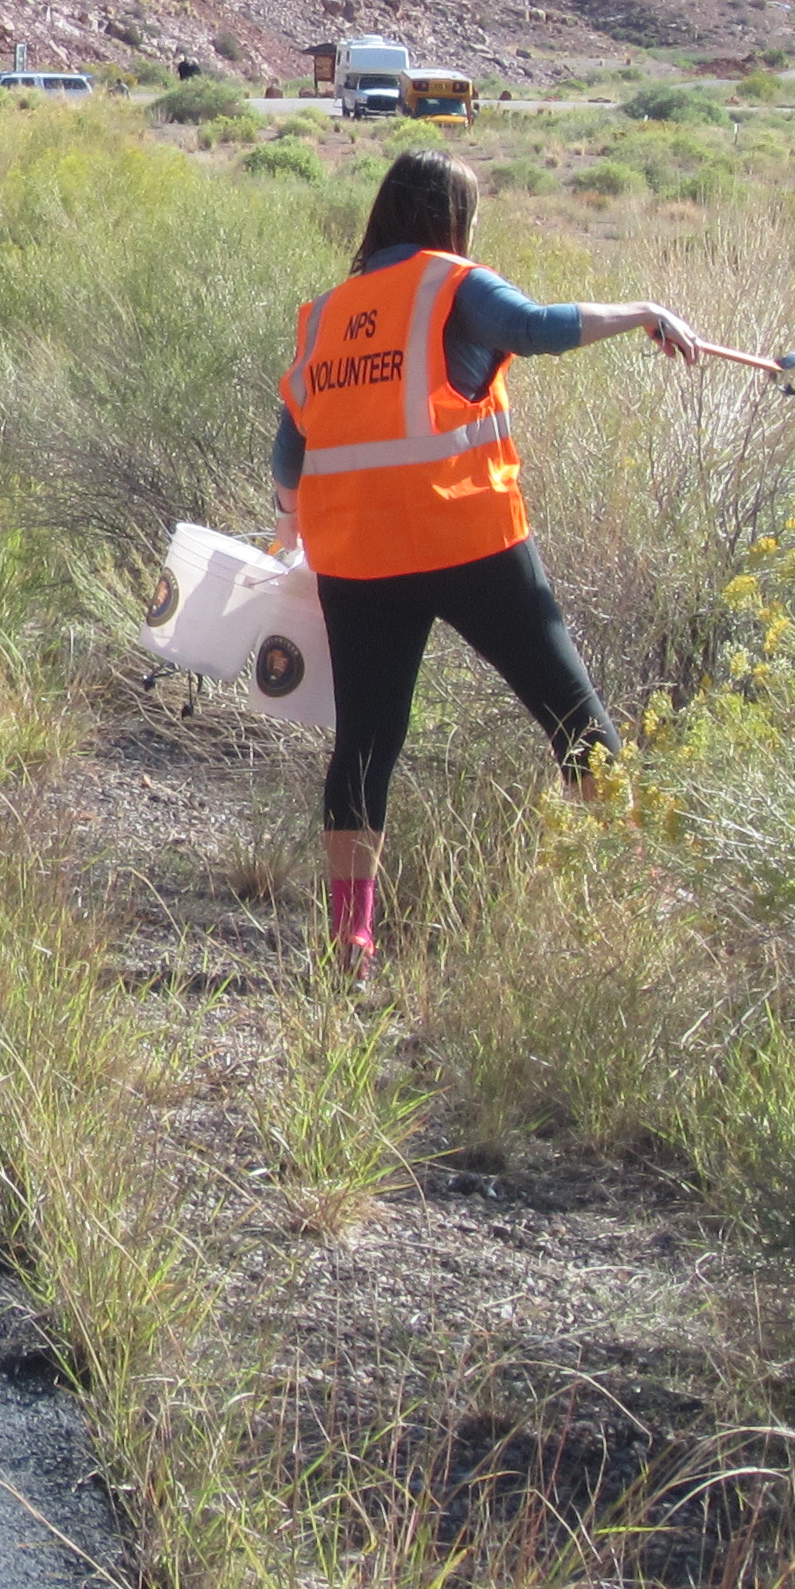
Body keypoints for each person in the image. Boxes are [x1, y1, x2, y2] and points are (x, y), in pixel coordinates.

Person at [269, 150, 694, 975]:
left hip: (360, 559)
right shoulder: (451, 283)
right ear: (449, 219)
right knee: (575, 719)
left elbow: (291, 454)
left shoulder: (325, 316)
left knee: (364, 745)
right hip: (469, 543)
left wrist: (289, 524)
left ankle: (351, 939)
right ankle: (634, 900)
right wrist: (643, 311)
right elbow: (535, 330)